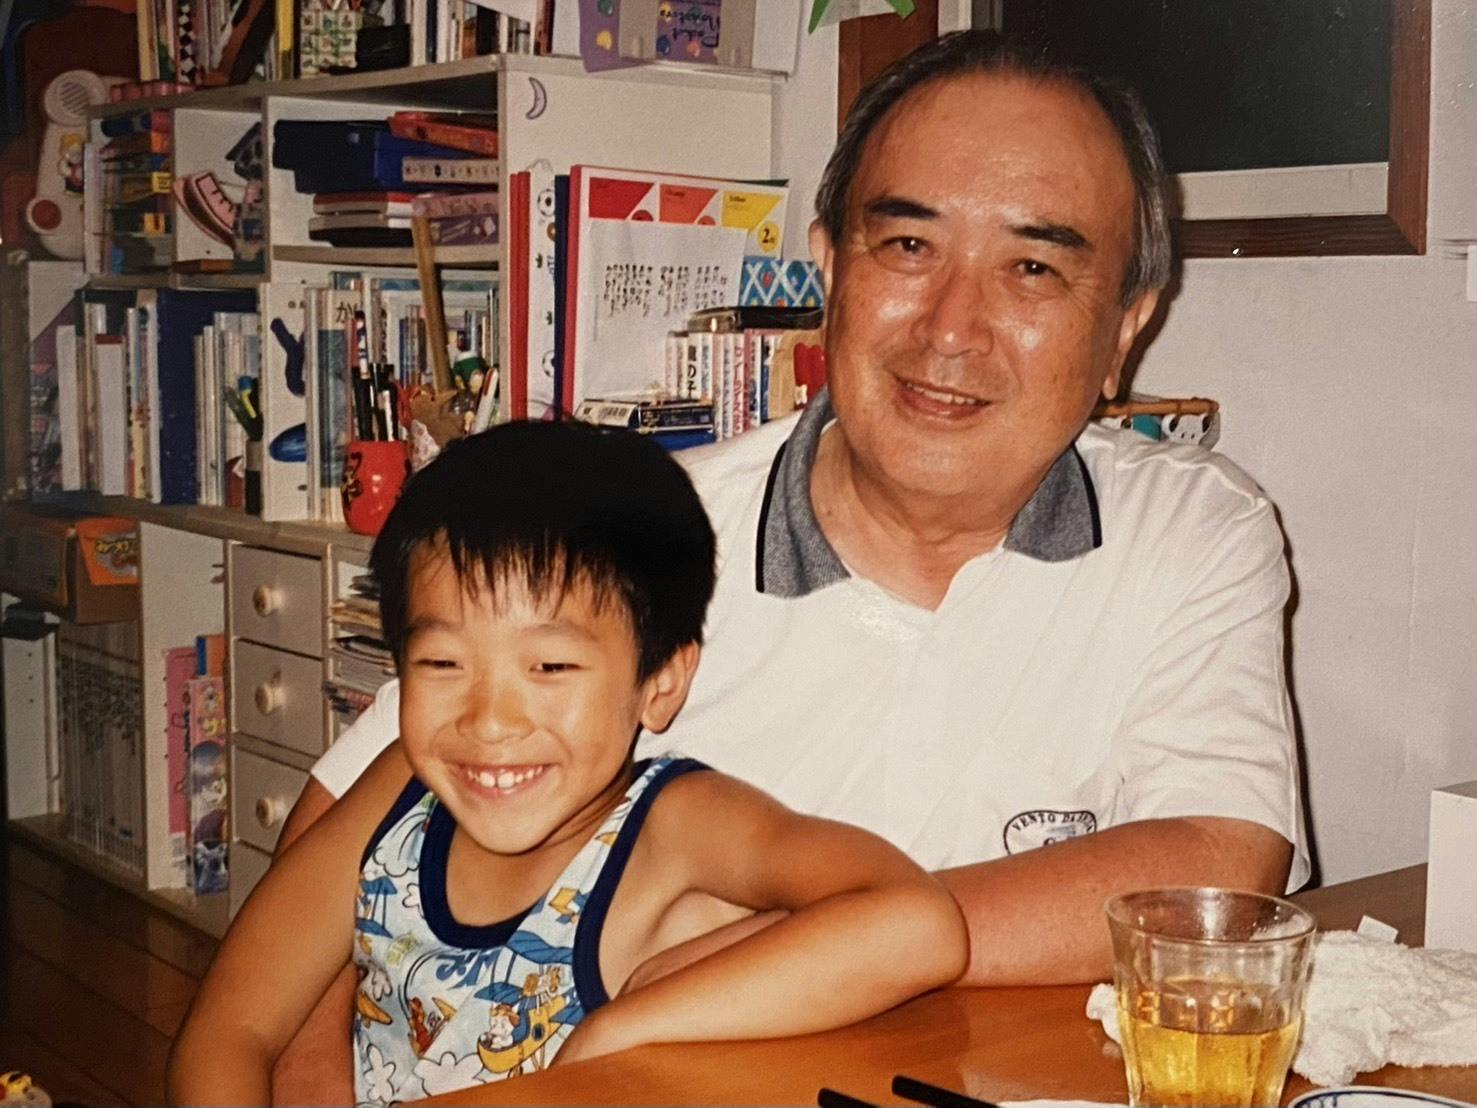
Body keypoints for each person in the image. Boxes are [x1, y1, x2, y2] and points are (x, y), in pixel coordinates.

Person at [275, 28, 1308, 1102]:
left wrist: (815, 942)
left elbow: (1219, 865)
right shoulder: (631, 529)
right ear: (829, 268)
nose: (951, 328)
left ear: (1125, 331)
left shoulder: (1192, 529)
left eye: (1033, 268)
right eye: (906, 247)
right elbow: (333, 845)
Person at [168, 422, 967, 1107]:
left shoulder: (678, 826)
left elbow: (916, 923)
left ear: (660, 683)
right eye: (442, 664)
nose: (488, 720)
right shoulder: (396, 793)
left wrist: (618, 1029)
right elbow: (230, 1029)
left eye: (549, 668)